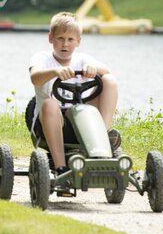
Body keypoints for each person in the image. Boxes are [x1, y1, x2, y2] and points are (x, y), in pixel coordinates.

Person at [28, 11, 120, 181]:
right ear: (51, 38)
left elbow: (105, 70)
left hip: (84, 122)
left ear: (78, 41)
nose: (65, 44)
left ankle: (103, 136)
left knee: (109, 80)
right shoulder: (43, 58)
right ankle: (61, 167)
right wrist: (55, 71)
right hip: (53, 122)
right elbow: (35, 77)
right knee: (49, 104)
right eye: (60, 39)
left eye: (70, 39)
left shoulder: (83, 59)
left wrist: (93, 68)